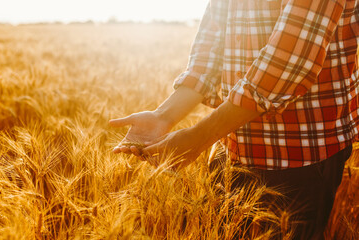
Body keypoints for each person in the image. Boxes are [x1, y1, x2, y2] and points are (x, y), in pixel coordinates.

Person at [110, 0, 358, 239]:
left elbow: (289, 62)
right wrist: (163, 117)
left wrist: (197, 140)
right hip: (228, 147)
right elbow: (210, 50)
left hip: (298, 155)